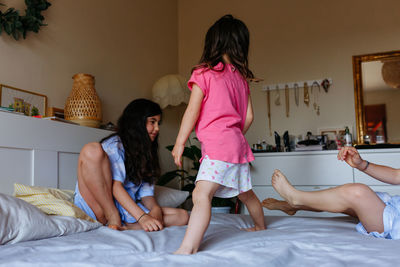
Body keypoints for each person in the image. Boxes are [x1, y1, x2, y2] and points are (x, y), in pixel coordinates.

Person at [171, 14, 266, 254]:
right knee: (245, 193)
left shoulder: (204, 73)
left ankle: (188, 248)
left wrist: (180, 143)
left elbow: (192, 112)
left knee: (201, 194)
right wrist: (234, 135)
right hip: (238, 144)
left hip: (217, 145)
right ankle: (260, 226)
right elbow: (250, 117)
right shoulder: (241, 79)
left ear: (212, 43)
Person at [74, 99, 189, 231]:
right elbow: (115, 187)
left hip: (124, 210)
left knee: (182, 216)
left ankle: (126, 227)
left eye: (158, 123)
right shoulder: (114, 146)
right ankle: (113, 217)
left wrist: (155, 209)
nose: (157, 128)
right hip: (98, 207)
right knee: (92, 149)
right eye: (152, 122)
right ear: (137, 122)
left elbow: (146, 192)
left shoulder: (146, 153)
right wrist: (142, 217)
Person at [263, 146, 400, 239]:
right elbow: (396, 176)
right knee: (337, 198)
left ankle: (296, 199)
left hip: (395, 225)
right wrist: (361, 164)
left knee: (357, 192)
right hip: (394, 205)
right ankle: (292, 206)